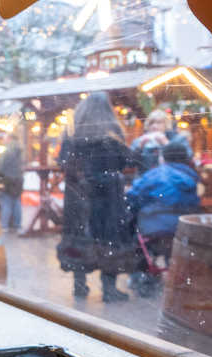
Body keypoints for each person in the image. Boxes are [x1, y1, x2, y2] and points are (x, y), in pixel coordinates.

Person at [57, 92, 137, 303]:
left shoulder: (71, 138)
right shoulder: (111, 139)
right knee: (109, 240)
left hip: (78, 198)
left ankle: (80, 286)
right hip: (107, 199)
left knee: (79, 239)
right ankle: (109, 290)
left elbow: (62, 162)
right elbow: (129, 161)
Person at [126, 142, 200, 297]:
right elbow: (194, 205)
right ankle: (177, 274)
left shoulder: (152, 175)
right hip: (179, 229)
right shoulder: (191, 178)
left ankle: (141, 276)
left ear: (162, 158)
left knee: (133, 235)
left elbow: (133, 196)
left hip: (151, 227)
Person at [130, 109, 193, 175]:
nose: (154, 126)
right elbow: (130, 164)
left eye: (159, 122)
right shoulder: (139, 141)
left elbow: (188, 157)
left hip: (171, 180)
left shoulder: (178, 139)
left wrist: (167, 144)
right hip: (146, 182)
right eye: (151, 123)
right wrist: (140, 148)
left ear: (166, 125)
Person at [0, 134, 24, 232]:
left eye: (4, 139)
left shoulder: (7, 152)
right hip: (19, 180)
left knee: (6, 202)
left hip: (8, 180)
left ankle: (4, 225)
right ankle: (17, 224)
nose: (3, 141)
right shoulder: (21, 151)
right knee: (16, 202)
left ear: (9, 139)